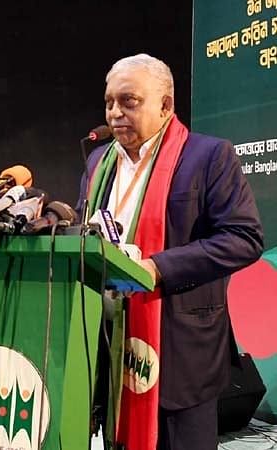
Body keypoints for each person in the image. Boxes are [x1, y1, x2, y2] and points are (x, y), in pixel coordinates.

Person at [78, 54, 263, 450]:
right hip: (106, 339)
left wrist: (155, 268)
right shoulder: (98, 162)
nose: (115, 113)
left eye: (129, 101)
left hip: (180, 346)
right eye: (110, 102)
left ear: (165, 106)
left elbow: (243, 238)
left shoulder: (209, 156)